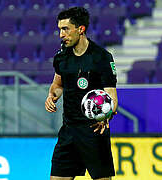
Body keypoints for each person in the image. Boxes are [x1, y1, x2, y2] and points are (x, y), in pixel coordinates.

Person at [44, 7, 118, 180]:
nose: (61, 34)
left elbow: (112, 98)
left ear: (81, 29)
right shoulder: (61, 57)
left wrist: (106, 115)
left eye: (65, 29)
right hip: (68, 131)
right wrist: (52, 95)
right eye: (60, 30)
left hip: (93, 132)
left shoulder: (101, 58)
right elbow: (57, 84)